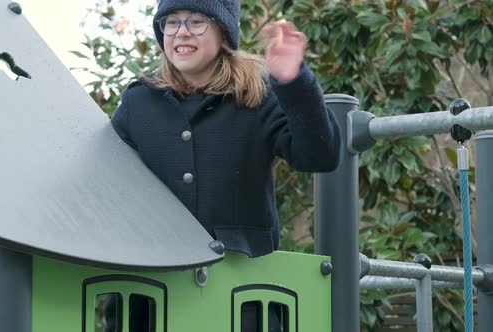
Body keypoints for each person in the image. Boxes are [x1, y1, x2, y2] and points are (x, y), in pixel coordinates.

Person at [109, 0, 341, 331]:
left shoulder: (257, 94)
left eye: (196, 21)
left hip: (242, 300)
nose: (181, 33)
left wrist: (294, 82)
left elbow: (321, 155)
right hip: (152, 298)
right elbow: (104, 178)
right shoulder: (138, 101)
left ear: (224, 31)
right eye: (171, 22)